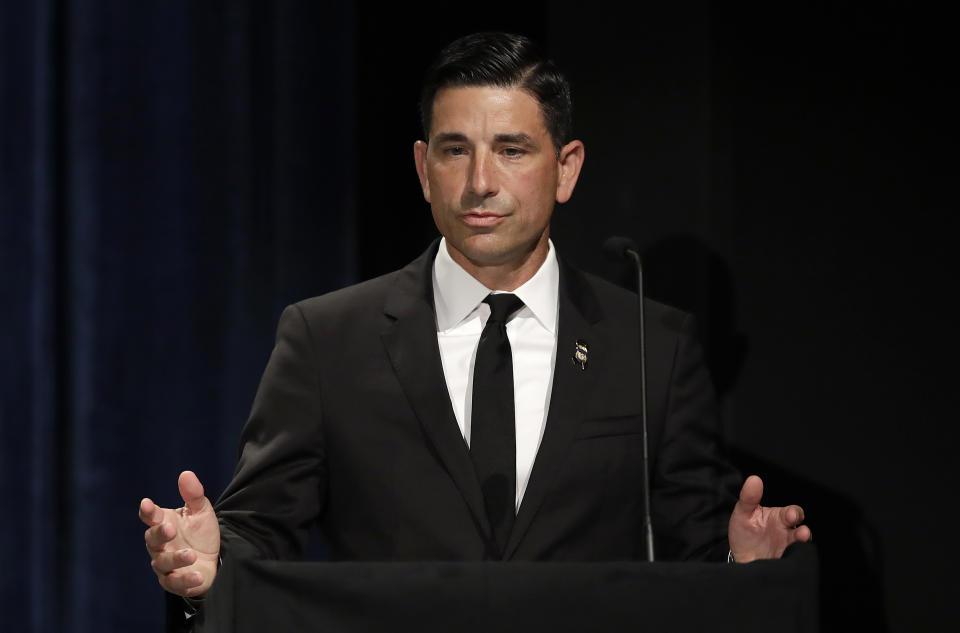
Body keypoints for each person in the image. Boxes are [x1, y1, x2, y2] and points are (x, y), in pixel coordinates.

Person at [140, 31, 811, 609]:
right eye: (455, 150)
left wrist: (740, 570)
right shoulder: (327, 339)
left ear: (566, 168)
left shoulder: (651, 346)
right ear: (423, 169)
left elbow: (692, 550)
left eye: (512, 150)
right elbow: (261, 531)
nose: (480, 181)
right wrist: (210, 562)